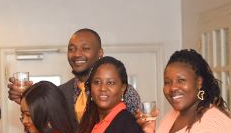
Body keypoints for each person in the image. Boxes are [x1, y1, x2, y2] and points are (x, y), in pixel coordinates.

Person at [8, 28, 142, 119]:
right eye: (71, 49)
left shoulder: (123, 93)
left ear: (100, 53)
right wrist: (29, 104)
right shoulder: (60, 93)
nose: (77, 54)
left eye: (85, 48)